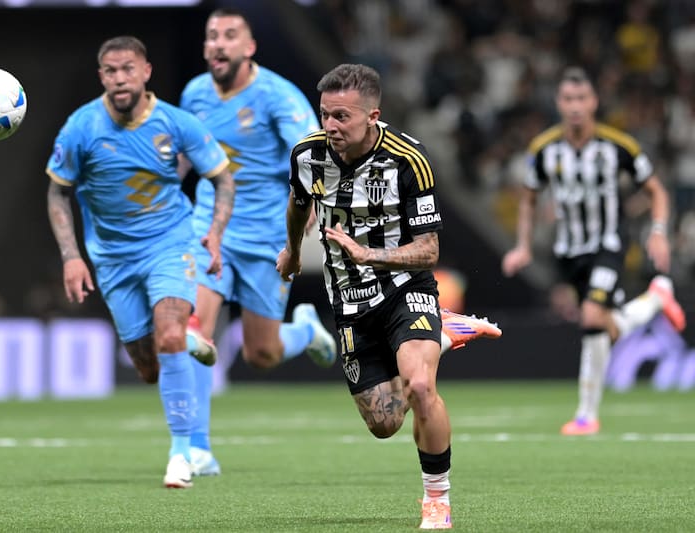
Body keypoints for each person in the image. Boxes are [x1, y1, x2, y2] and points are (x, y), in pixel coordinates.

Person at [278, 63, 501, 530]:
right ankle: (446, 334)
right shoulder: (306, 155)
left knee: (421, 387)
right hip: (348, 298)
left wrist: (370, 254)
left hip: (406, 288)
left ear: (373, 115)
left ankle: (436, 501)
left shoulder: (409, 160)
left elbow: (430, 250)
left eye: (343, 117)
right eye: (325, 115)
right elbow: (299, 204)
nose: (331, 127)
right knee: (384, 423)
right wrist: (293, 251)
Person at [45, 35, 235, 489]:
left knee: (168, 334)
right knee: (149, 369)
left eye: (128, 68)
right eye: (110, 71)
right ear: (101, 77)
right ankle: (184, 342)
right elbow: (57, 191)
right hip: (112, 260)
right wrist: (72, 258)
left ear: (146, 71)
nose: (119, 79)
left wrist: (215, 234)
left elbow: (223, 179)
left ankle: (181, 454)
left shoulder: (176, 123)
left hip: (170, 245)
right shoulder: (81, 127)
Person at [178, 8, 337, 477]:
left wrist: (311, 207)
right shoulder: (194, 94)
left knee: (260, 353)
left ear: (249, 47)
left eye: (230, 35)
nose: (219, 44)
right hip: (210, 230)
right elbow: (188, 156)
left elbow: (313, 154)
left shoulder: (276, 96)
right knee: (196, 331)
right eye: (212, 36)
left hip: (267, 236)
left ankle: (305, 330)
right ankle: (196, 448)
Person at [502, 66, 686, 436]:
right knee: (604, 328)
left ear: (594, 102)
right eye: (568, 99)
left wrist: (659, 232)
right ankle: (654, 299)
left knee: (590, 318)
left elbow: (657, 191)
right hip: (568, 252)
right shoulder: (544, 149)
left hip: (608, 244)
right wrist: (523, 246)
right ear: (559, 103)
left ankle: (587, 416)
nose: (575, 106)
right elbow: (528, 198)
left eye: (581, 99)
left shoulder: (617, 146)